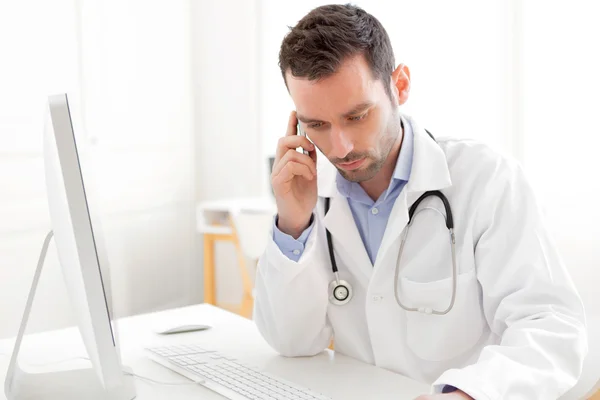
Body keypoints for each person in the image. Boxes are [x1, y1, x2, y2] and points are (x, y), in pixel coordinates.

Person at [253, 4, 588, 399]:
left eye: (357, 116)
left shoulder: (486, 179)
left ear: (400, 85)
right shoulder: (311, 193)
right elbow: (292, 343)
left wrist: (465, 395)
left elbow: (551, 329)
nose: (340, 148)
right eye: (317, 125)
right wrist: (293, 223)